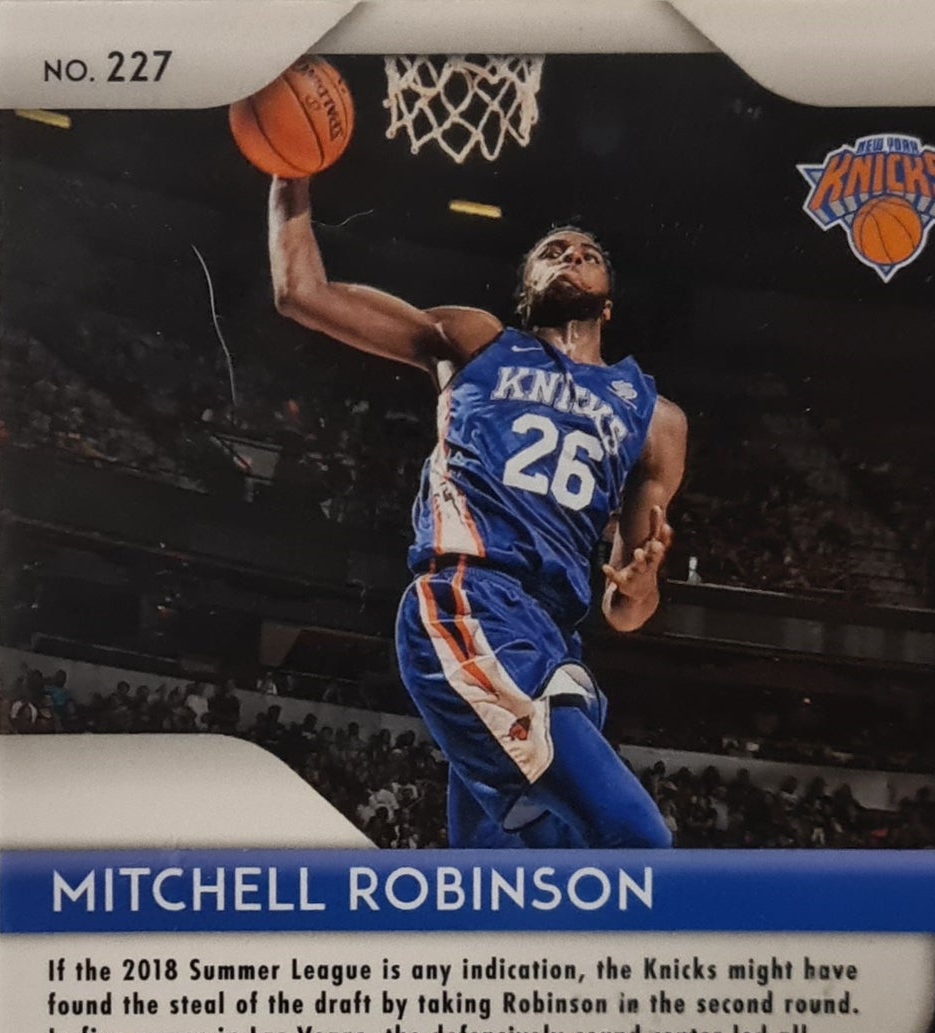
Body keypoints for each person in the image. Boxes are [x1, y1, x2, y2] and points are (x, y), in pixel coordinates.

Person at [268, 179, 686, 847]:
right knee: (636, 840)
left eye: (586, 253)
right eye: (552, 251)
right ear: (526, 286)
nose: (570, 255)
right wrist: (290, 179)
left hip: (552, 636)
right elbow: (303, 293)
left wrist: (640, 586)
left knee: (497, 885)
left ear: (608, 300)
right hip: (470, 601)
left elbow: (625, 612)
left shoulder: (656, 418)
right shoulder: (475, 342)